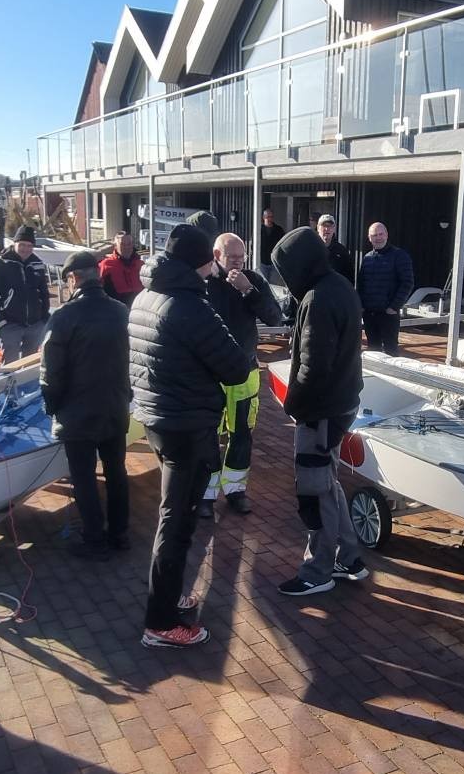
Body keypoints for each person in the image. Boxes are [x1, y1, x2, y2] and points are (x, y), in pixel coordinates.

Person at [130, 223, 253, 648]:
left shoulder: (145, 295)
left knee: (175, 518)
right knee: (177, 523)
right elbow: (235, 368)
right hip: (186, 425)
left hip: (158, 419)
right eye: (208, 264)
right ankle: (161, 622)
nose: (212, 271)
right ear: (199, 263)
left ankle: (169, 597)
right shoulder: (189, 306)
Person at [270, 227, 369, 596]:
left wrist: (294, 407)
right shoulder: (339, 285)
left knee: (315, 491)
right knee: (328, 483)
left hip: (321, 410)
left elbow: (313, 368)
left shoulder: (318, 298)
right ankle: (348, 558)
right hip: (341, 403)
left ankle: (318, 571)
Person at [41, 251, 132, 560]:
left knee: (84, 478)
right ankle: (119, 533)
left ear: (73, 278)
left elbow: (50, 372)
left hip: (78, 411)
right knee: (116, 472)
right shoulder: (120, 311)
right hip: (115, 406)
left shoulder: (64, 316)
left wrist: (52, 406)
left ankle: (95, 539)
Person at [199, 232, 283, 519]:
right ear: (216, 255)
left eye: (241, 257)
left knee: (242, 434)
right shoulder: (203, 282)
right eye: (232, 257)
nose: (238, 262)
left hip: (245, 371)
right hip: (209, 374)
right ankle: (206, 494)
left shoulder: (253, 280)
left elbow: (275, 317)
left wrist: (248, 290)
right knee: (208, 435)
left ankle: (235, 490)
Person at [0, 224, 52, 362]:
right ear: (14, 243)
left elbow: (44, 292)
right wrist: (0, 322)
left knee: (30, 363)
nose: (25, 249)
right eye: (22, 244)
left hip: (35, 324)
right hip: (10, 324)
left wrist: (44, 316)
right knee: (10, 365)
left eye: (29, 246)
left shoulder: (37, 264)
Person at [357, 222, 415, 356]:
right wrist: (361, 306)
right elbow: (361, 284)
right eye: (374, 235)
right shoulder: (367, 258)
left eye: (380, 234)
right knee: (373, 351)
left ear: (387, 235)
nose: (378, 238)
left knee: (391, 351)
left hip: (388, 314)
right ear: (369, 238)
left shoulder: (399, 256)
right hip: (370, 314)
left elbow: (407, 282)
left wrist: (394, 307)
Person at [99, 231, 143, 306]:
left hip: (139, 307)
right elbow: (99, 291)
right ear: (115, 246)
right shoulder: (106, 265)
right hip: (116, 308)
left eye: (129, 244)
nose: (126, 247)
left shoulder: (140, 265)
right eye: (122, 244)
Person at [317, 214, 355, 284]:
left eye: (330, 226)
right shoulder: (311, 249)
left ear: (334, 229)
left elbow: (349, 278)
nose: (327, 229)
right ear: (318, 228)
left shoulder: (342, 251)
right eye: (324, 226)